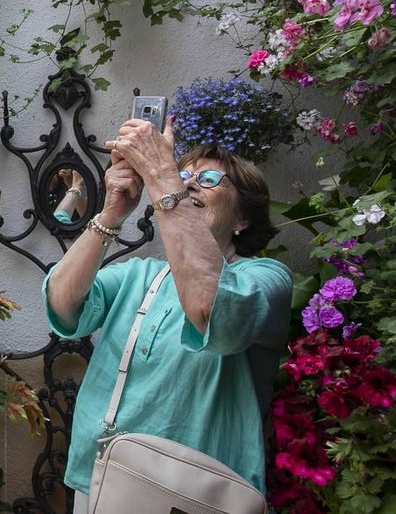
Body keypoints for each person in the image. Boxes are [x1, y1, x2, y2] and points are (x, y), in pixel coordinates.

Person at [43, 118, 292, 512]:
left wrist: (163, 175)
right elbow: (63, 305)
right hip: (104, 480)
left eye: (208, 179)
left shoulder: (266, 279)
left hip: (199, 495)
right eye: (184, 174)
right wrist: (111, 212)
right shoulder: (140, 275)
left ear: (243, 219)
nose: (189, 182)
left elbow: (212, 311)